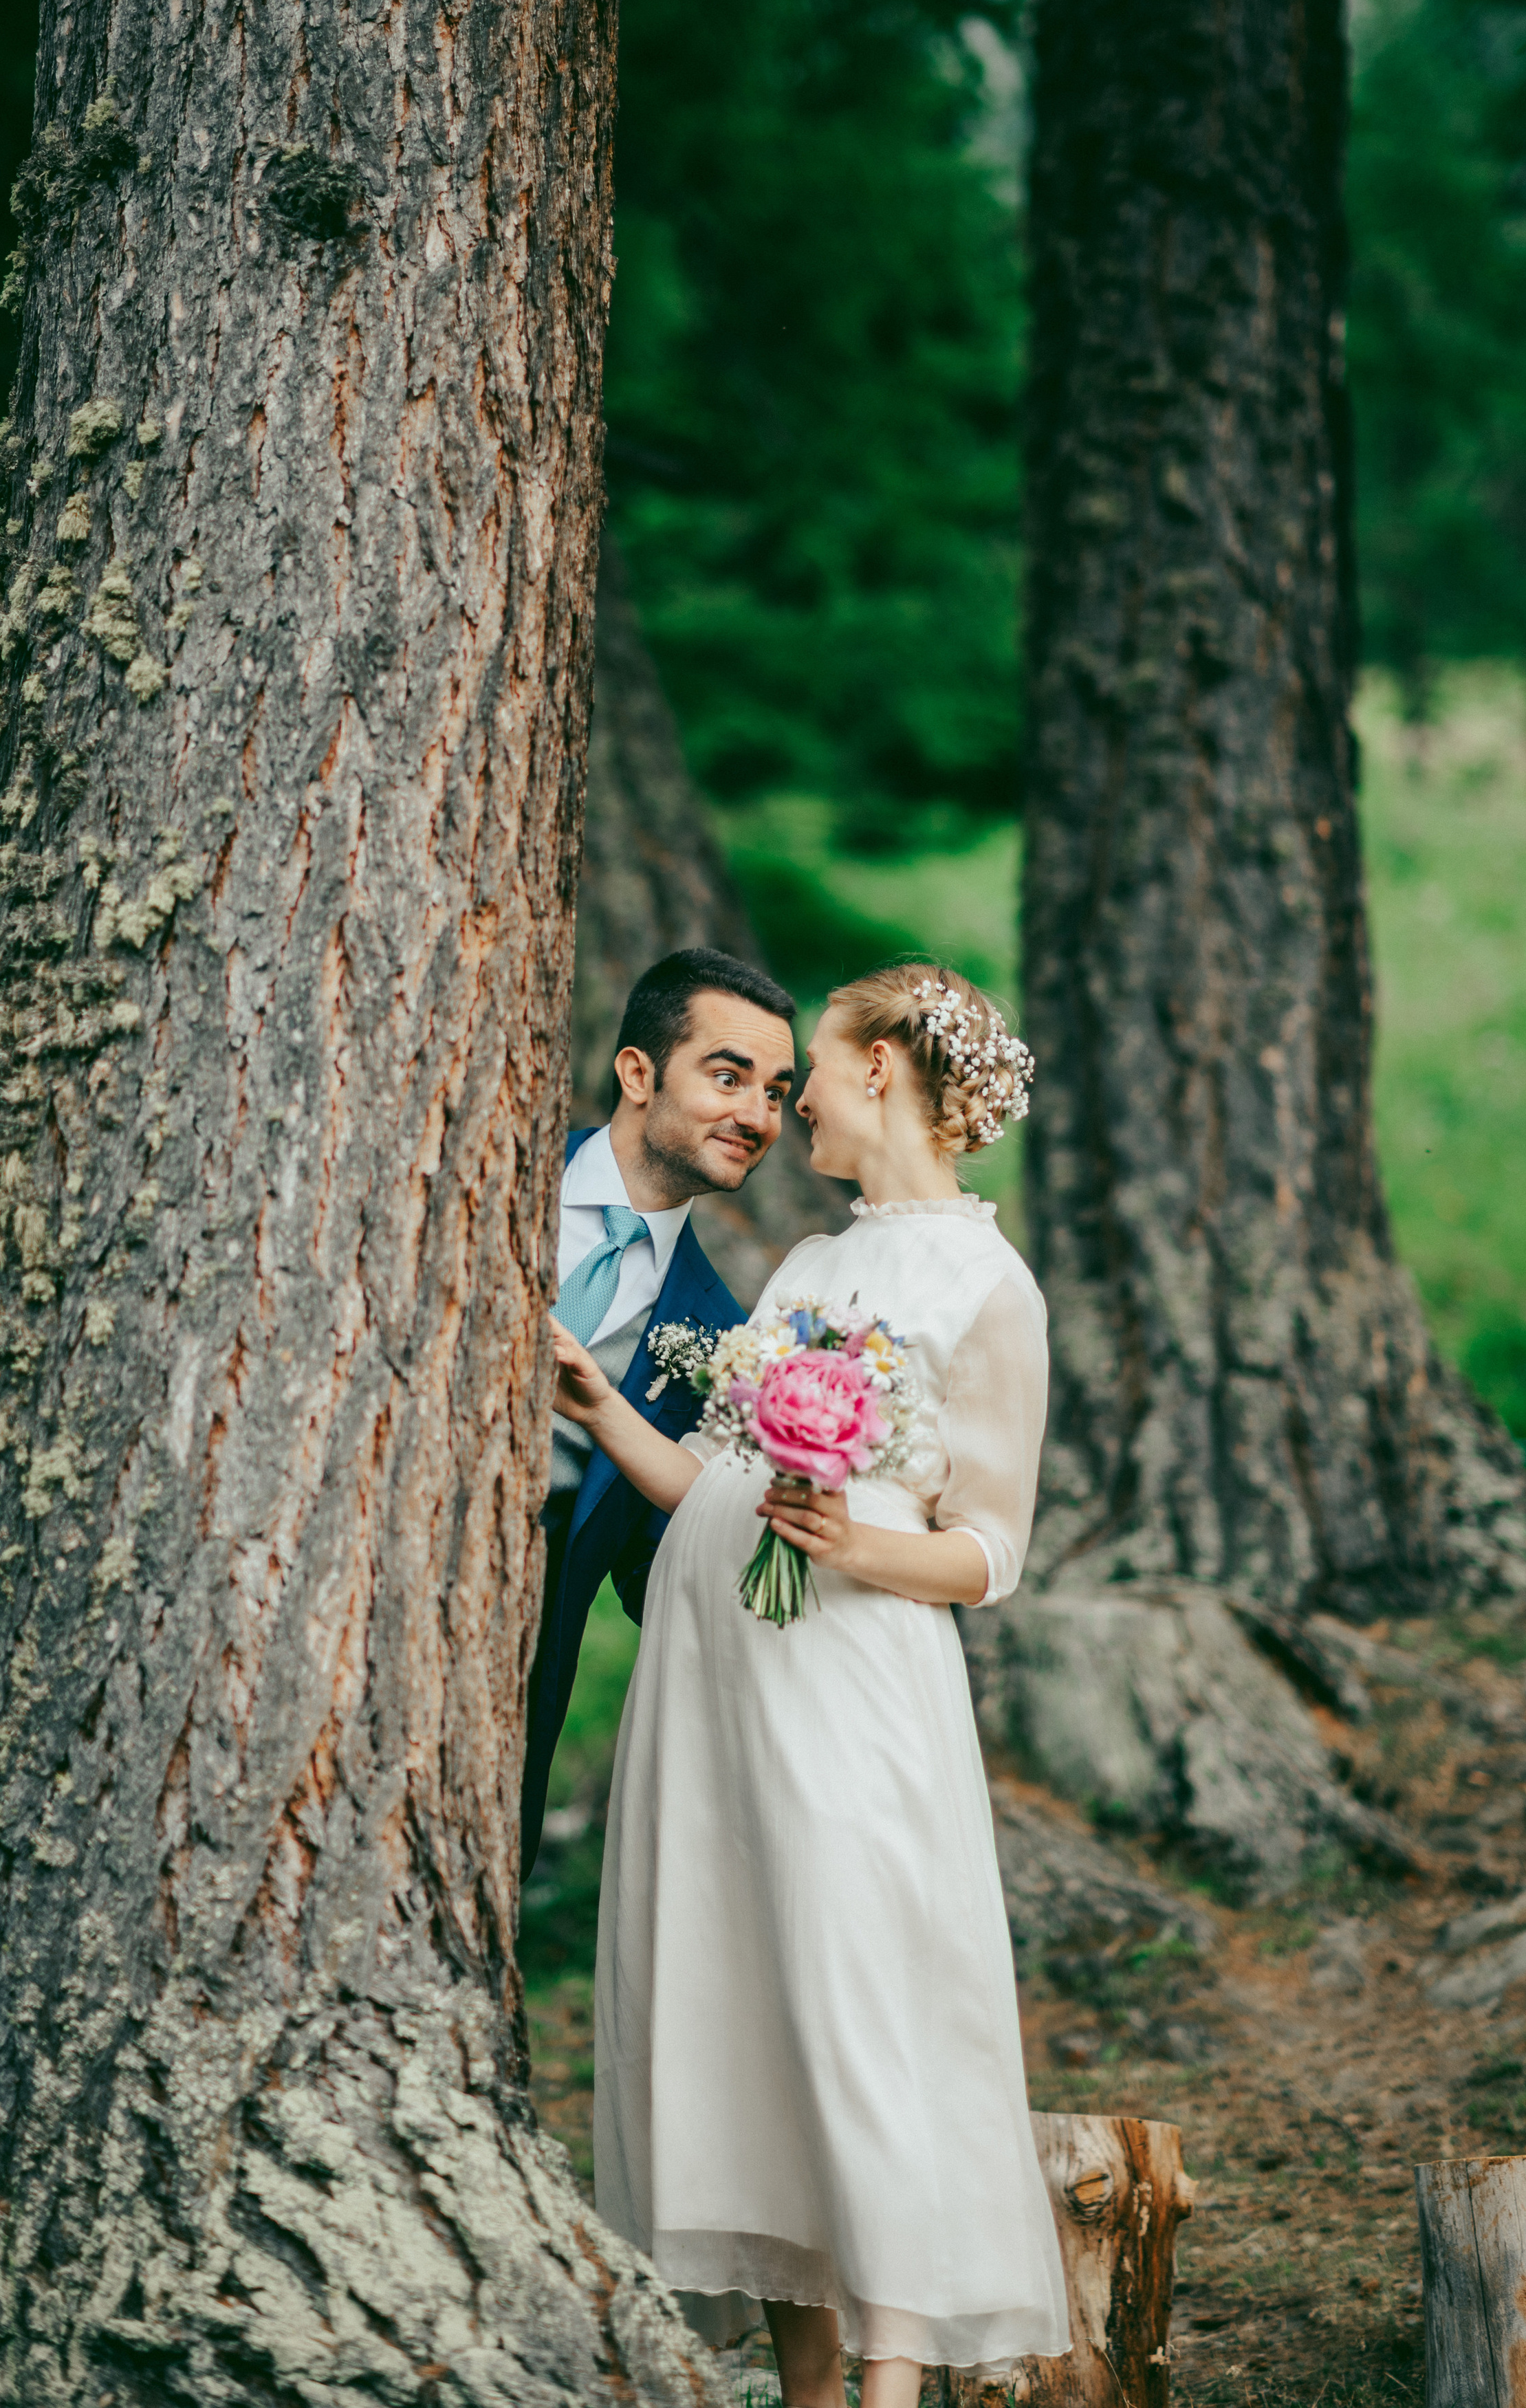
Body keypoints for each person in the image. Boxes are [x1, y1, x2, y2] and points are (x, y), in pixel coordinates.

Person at [549, 961, 1069, 2407]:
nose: (785, 1110)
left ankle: (891, 2385)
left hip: (848, 1683)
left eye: (805, 1078)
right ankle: (806, 2384)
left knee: (855, 2007)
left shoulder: (986, 1285)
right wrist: (596, 1408)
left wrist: (855, 1544)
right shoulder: (807, 1267)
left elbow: (991, 1552)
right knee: (746, 2004)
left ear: (881, 1071)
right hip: (718, 1692)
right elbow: (713, 1481)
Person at [521, 945, 798, 1880]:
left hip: (529, 1641)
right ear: (638, 1072)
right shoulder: (496, 1162)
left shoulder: (721, 1338)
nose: (757, 1114)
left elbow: (658, 1569)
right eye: (729, 1075)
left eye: (774, 1090)